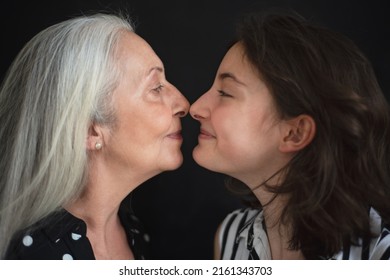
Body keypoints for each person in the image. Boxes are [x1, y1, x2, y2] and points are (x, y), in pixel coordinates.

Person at [190, 11, 390, 260]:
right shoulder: (230, 236)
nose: (195, 108)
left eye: (226, 93)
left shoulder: (380, 255)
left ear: (295, 133)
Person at [0, 13, 189, 260]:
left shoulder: (135, 234)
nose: (184, 104)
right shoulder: (32, 258)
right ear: (90, 131)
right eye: (156, 88)